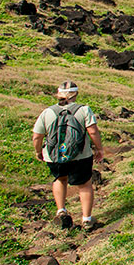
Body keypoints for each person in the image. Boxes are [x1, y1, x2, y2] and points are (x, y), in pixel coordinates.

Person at [31, 80, 104, 231]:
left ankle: (61, 211)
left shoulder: (47, 112)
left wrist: (39, 152)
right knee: (84, 184)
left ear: (58, 94)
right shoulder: (84, 110)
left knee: (59, 179)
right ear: (76, 94)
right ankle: (87, 219)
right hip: (80, 156)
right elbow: (93, 131)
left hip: (54, 156)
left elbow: (37, 136)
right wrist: (99, 148)